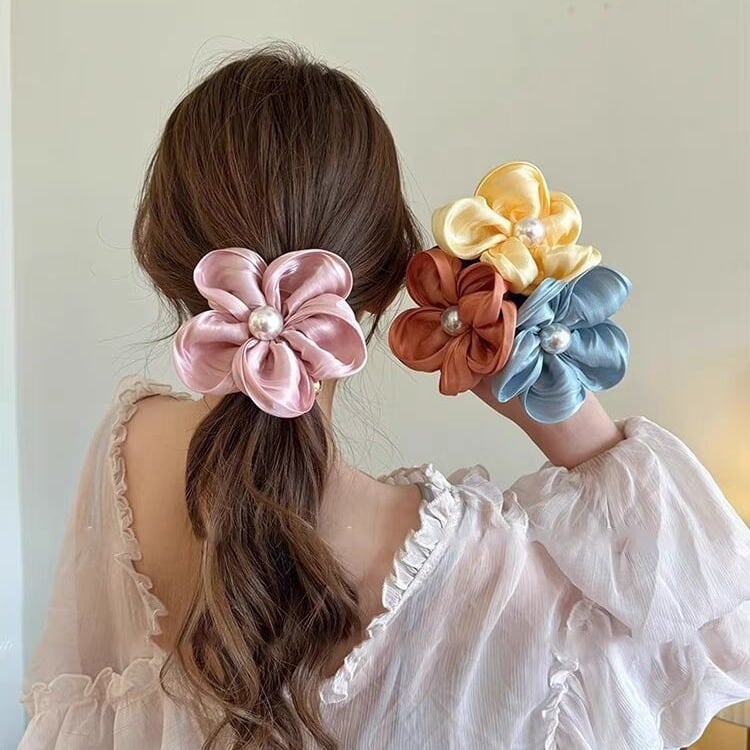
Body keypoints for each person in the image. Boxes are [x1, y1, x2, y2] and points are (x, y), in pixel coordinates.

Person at [19, 44, 750, 750]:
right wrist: (560, 402)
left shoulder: (126, 449)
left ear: (166, 257)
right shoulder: (486, 575)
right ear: (388, 281)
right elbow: (720, 633)